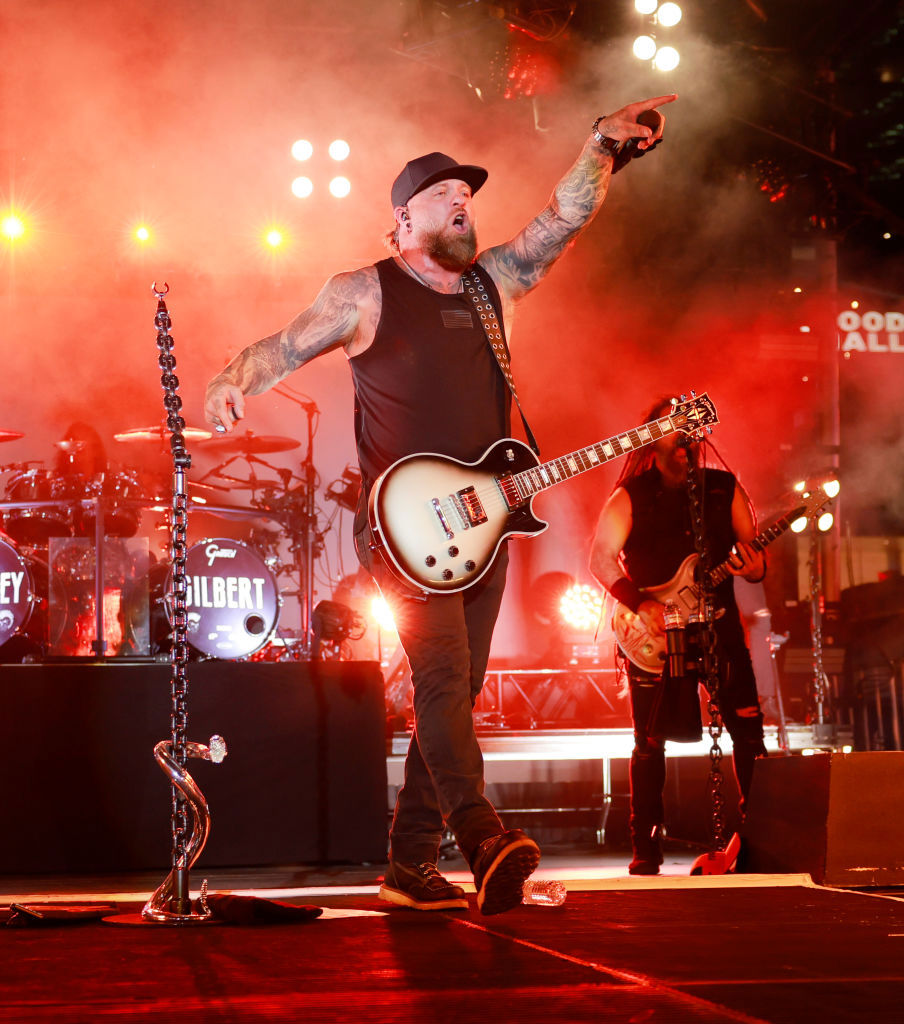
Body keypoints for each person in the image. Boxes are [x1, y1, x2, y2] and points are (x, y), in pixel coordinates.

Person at [205, 94, 675, 914]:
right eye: (444, 196)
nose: (464, 204)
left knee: (452, 692)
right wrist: (229, 379)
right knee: (445, 676)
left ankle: (409, 861)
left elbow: (557, 223)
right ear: (402, 220)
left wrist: (600, 147)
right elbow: (282, 345)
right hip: (400, 529)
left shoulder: (494, 283)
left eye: (468, 196)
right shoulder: (365, 291)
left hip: (483, 529)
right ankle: (482, 835)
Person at [589, 396, 768, 875]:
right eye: (673, 428)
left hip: (719, 628)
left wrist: (755, 568)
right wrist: (641, 602)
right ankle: (645, 850)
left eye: (690, 428)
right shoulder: (630, 495)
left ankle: (763, 840)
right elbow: (601, 559)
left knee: (749, 733)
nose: (684, 437)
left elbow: (753, 556)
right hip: (653, 633)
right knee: (648, 743)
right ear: (652, 438)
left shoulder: (723, 487)